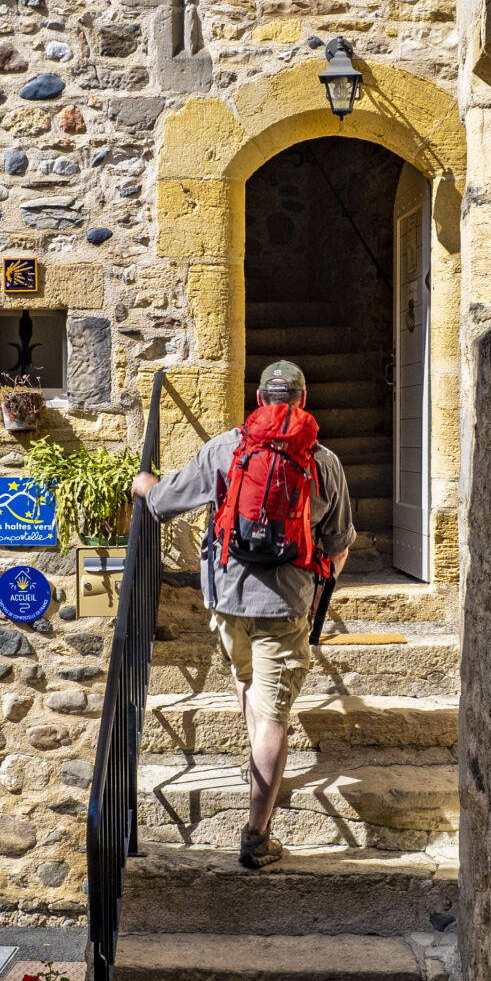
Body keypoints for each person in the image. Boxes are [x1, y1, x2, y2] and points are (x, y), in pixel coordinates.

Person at [132, 359, 354, 869]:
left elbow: (164, 502)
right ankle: (256, 835)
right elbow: (338, 546)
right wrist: (319, 587)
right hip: (286, 602)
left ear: (258, 399)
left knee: (246, 680)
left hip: (227, 596)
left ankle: (255, 768)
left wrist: (145, 484)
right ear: (303, 400)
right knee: (275, 712)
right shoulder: (324, 462)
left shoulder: (226, 448)